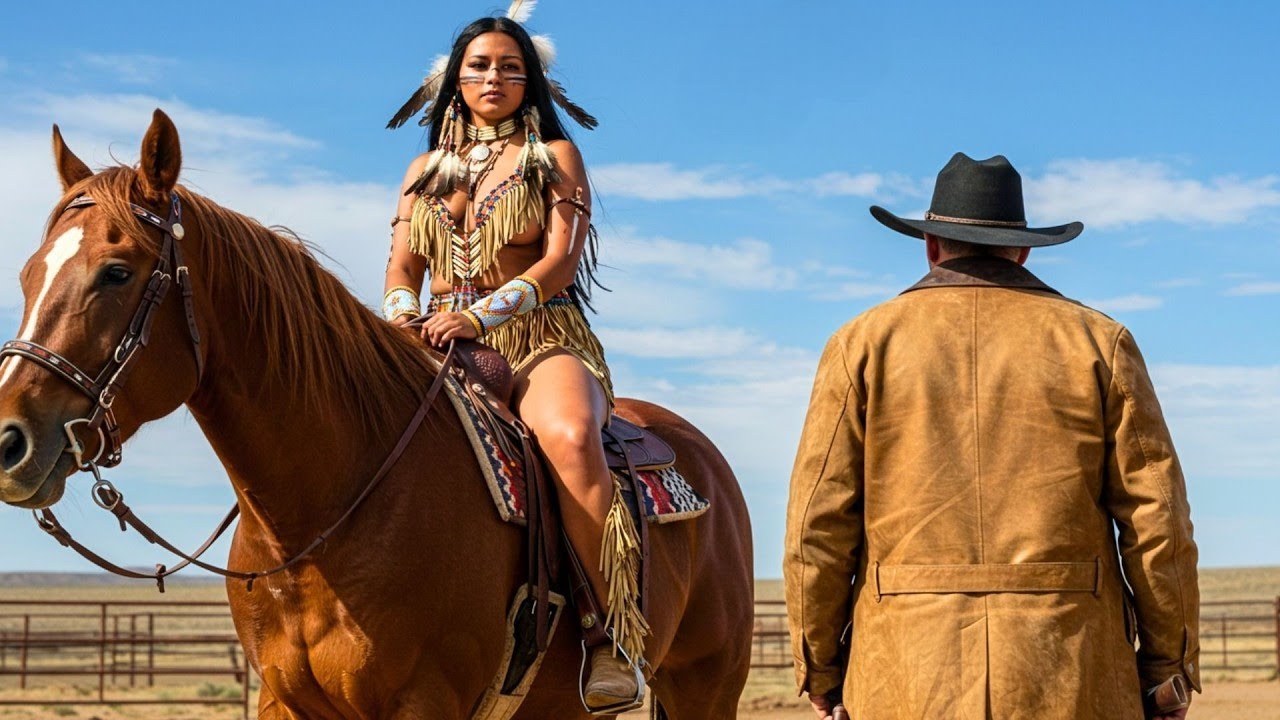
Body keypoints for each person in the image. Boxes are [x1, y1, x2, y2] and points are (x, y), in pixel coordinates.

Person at [784, 153, 1200, 720]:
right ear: (1024, 249)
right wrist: (1166, 668)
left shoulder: (859, 345)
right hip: (1070, 672)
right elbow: (1159, 523)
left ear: (931, 245)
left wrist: (821, 667)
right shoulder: (1101, 343)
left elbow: (817, 527)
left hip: (905, 673)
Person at [381, 6, 642, 712]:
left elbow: (559, 262)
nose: (494, 75)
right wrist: (406, 321)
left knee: (569, 436)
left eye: (510, 66)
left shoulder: (555, 158)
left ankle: (607, 634)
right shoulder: (421, 170)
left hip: (538, 335)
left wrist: (479, 314)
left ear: (532, 81)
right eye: (480, 65)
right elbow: (401, 270)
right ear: (455, 80)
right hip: (431, 338)